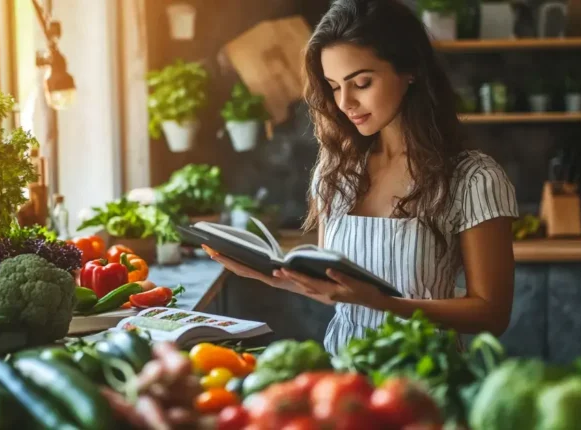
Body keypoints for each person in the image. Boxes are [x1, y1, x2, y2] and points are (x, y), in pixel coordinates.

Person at [204, 0, 518, 355]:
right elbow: (334, 290)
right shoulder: (336, 170)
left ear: (410, 69)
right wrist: (266, 274)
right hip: (344, 375)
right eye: (334, 86)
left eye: (362, 82)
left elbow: (492, 313)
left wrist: (384, 303)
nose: (345, 102)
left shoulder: (474, 177)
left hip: (427, 377)